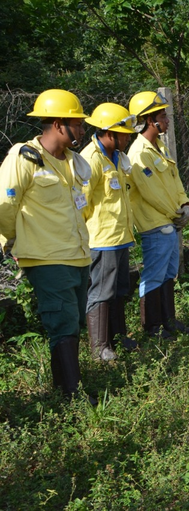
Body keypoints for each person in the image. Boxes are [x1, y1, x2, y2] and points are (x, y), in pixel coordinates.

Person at [0, 89, 94, 401]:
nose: (82, 130)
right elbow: (5, 204)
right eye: (77, 124)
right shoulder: (24, 157)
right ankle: (72, 393)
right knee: (63, 322)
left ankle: (62, 387)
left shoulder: (73, 162)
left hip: (78, 255)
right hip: (46, 257)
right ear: (57, 124)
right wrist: (11, 241)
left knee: (73, 321)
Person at [126, 91, 189, 338]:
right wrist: (174, 213)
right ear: (149, 121)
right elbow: (150, 192)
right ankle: (152, 327)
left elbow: (174, 180)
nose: (166, 120)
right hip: (155, 223)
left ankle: (169, 321)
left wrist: (185, 202)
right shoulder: (138, 153)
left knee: (168, 273)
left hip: (170, 220)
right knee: (153, 275)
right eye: (162, 116)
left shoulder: (161, 147)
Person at [81, 103, 139, 361]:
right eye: (123, 133)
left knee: (119, 288)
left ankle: (118, 337)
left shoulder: (116, 156)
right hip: (101, 239)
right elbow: (79, 203)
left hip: (120, 237)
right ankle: (99, 347)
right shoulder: (91, 160)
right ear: (107, 133)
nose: (128, 137)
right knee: (101, 291)